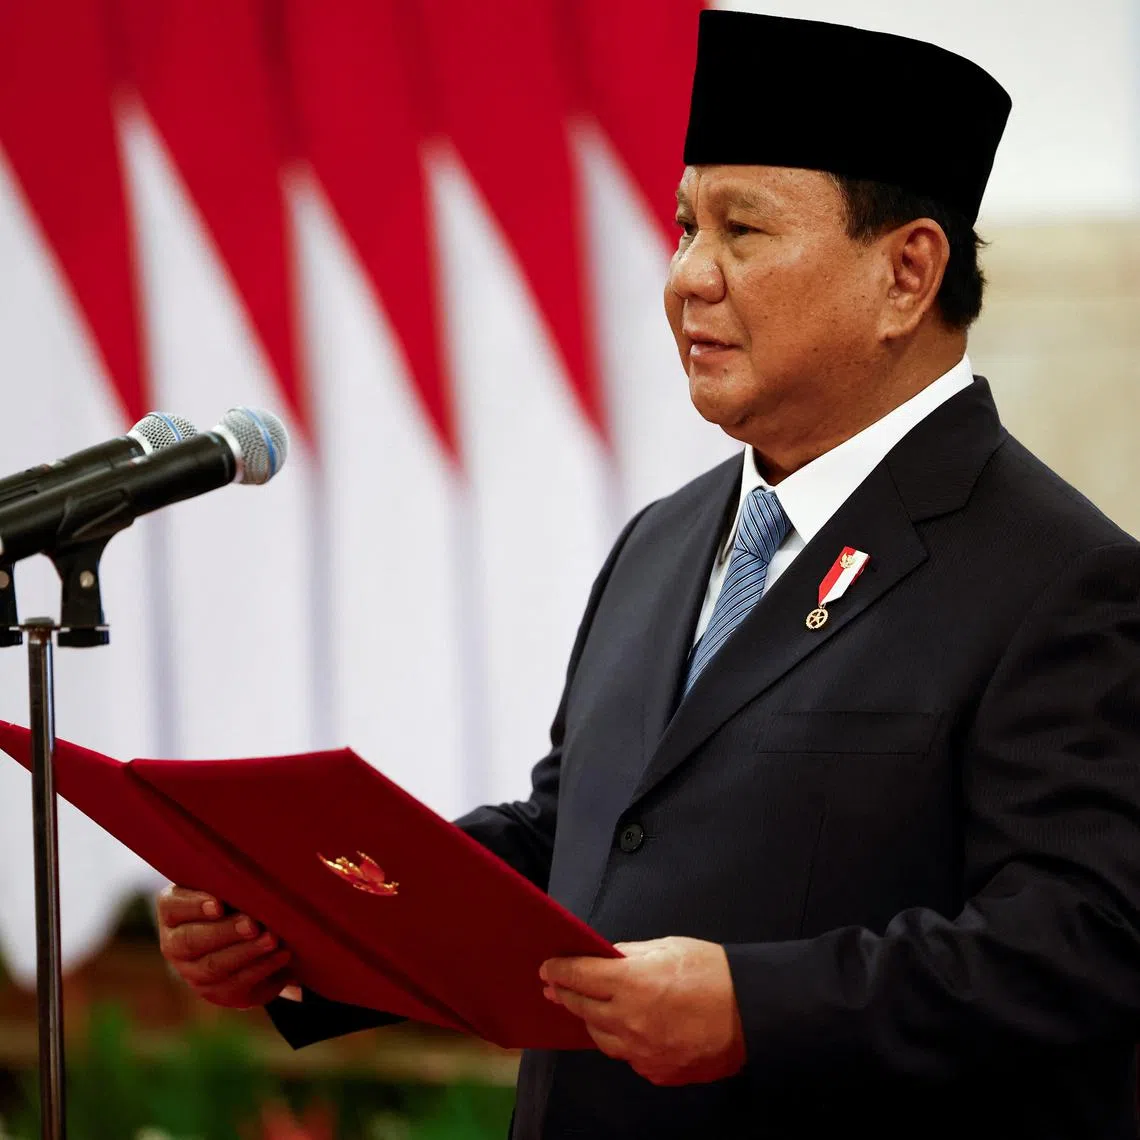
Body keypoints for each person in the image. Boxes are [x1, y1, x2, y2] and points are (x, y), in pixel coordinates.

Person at [156, 11, 1140, 1139]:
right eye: (682, 227)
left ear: (908, 272)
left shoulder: (1063, 580)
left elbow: (1090, 940)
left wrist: (756, 1010)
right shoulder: (668, 540)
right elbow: (575, 838)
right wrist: (309, 925)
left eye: (743, 230)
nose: (687, 280)